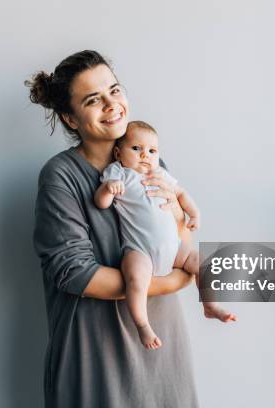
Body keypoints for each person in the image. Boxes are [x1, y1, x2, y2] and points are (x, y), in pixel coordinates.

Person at [26, 50, 199, 407]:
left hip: (164, 347)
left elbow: (178, 236)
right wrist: (175, 281)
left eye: (115, 90)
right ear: (70, 119)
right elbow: (76, 274)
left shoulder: (149, 157)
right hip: (96, 353)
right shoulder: (61, 176)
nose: (111, 104)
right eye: (93, 100)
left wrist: (181, 220)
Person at [95, 121, 237, 350]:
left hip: (174, 248)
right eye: (136, 148)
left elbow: (181, 193)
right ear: (118, 152)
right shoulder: (118, 173)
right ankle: (142, 325)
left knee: (202, 261)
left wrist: (194, 214)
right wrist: (108, 189)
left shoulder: (159, 172)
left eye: (152, 150)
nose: (145, 155)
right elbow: (101, 204)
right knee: (136, 279)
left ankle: (210, 303)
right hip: (140, 250)